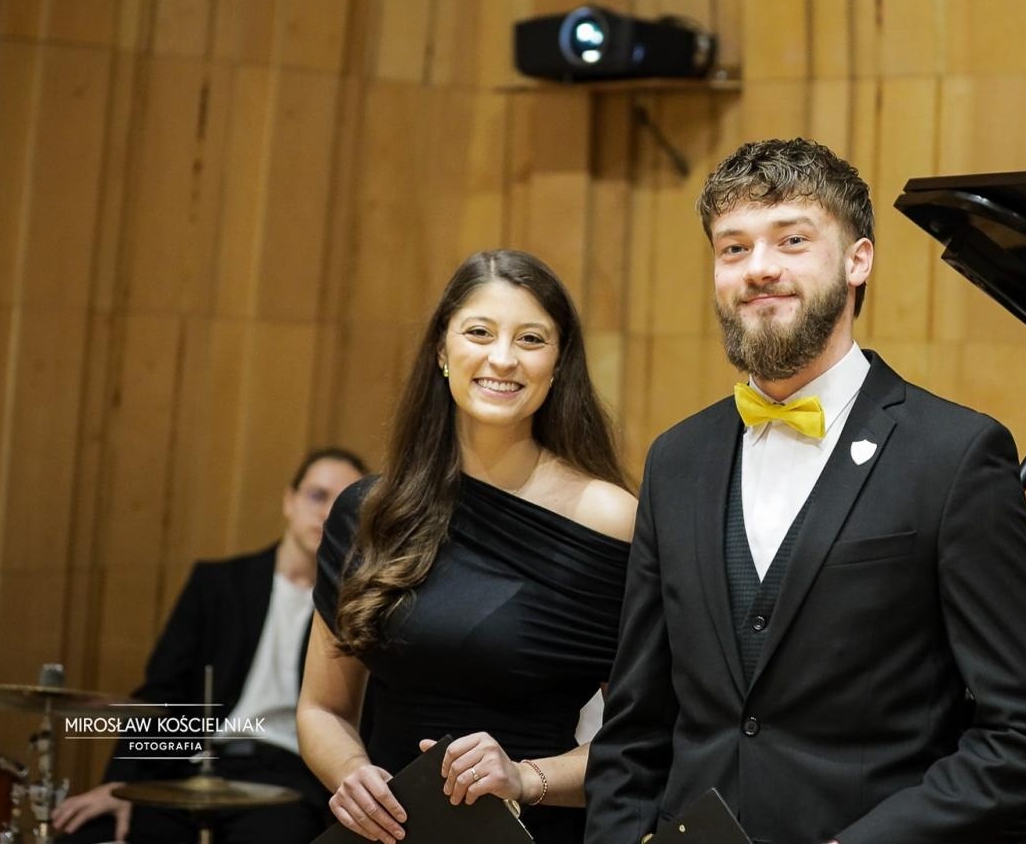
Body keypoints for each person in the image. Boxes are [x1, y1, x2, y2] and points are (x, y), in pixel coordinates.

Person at [584, 138, 1026, 844]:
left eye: (792, 240)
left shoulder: (954, 458)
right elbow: (634, 728)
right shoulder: (677, 460)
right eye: (733, 248)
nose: (759, 268)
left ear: (858, 260)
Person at [298, 250, 636, 844]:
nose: (502, 358)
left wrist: (526, 778)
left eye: (531, 339)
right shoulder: (367, 511)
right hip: (385, 833)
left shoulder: (610, 520)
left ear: (559, 363)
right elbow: (322, 709)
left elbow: (642, 742)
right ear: (441, 350)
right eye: (479, 332)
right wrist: (350, 772)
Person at [55, 447, 369, 844]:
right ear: (289, 501)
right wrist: (120, 784)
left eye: (342, 504)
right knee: (88, 834)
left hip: (290, 779)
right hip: (197, 763)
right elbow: (162, 692)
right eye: (317, 496)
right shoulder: (218, 584)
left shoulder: (358, 606)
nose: (326, 514)